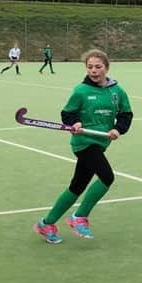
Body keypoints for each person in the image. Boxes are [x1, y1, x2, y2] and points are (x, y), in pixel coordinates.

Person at [33, 49, 133, 244]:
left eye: (98, 67)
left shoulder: (117, 91)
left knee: (76, 186)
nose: (94, 71)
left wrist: (118, 129)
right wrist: (75, 123)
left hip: (101, 142)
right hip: (83, 142)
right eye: (89, 67)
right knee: (107, 176)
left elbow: (126, 114)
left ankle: (46, 223)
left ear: (107, 67)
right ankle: (80, 216)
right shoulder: (81, 91)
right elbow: (68, 113)